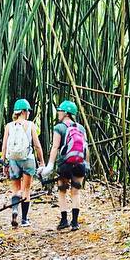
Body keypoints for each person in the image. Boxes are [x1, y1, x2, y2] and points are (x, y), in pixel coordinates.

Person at [41, 99, 89, 231]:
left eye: (60, 111)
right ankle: (75, 222)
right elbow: (86, 147)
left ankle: (64, 221)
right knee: (75, 192)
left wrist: (50, 165)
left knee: (62, 191)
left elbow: (55, 147)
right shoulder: (80, 128)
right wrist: (87, 164)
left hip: (64, 165)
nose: (58, 113)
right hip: (79, 164)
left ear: (66, 113)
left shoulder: (59, 127)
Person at [1, 98, 44, 228]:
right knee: (26, 190)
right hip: (28, 160)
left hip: (13, 160)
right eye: (28, 111)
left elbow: (4, 146)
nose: (29, 113)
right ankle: (24, 219)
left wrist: (4, 163)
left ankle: (15, 210)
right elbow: (37, 145)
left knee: (16, 189)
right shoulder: (30, 125)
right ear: (24, 111)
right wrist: (41, 162)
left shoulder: (9, 126)